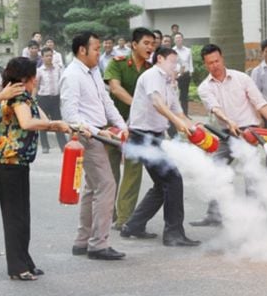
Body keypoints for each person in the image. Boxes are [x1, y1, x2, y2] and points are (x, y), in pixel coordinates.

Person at [0, 57, 70, 281]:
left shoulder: (26, 97)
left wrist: (66, 126)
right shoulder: (16, 95)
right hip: (8, 160)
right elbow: (27, 123)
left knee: (22, 214)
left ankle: (25, 260)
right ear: (26, 77)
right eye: (34, 76)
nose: (37, 80)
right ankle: (17, 266)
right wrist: (54, 125)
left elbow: (44, 120)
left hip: (18, 161)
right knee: (15, 215)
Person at [191, 44, 267, 227]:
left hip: (249, 133)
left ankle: (254, 216)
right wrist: (229, 121)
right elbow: (215, 109)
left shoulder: (242, 78)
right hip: (226, 135)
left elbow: (260, 103)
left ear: (222, 58)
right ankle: (214, 215)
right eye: (210, 63)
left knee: (251, 174)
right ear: (205, 64)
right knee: (214, 171)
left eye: (217, 61)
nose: (215, 65)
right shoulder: (205, 87)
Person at [120, 47, 200, 247]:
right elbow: (157, 103)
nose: (175, 66)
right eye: (172, 61)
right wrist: (177, 122)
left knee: (162, 184)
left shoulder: (168, 83)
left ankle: (133, 226)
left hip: (153, 137)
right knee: (173, 180)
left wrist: (196, 129)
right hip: (142, 137)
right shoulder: (153, 75)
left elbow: (178, 113)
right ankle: (173, 233)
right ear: (160, 59)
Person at [60, 31, 128, 261]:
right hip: (88, 138)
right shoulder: (71, 75)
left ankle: (82, 241)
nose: (100, 53)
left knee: (92, 188)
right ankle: (99, 244)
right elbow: (70, 115)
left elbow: (106, 102)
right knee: (107, 186)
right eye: (96, 49)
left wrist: (121, 125)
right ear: (82, 50)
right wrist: (99, 132)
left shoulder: (94, 71)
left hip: (101, 134)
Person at [104, 28, 154, 229]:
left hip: (138, 126)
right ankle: (108, 213)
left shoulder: (152, 70)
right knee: (110, 171)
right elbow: (115, 88)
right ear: (134, 45)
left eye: (153, 44)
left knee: (133, 171)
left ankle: (124, 218)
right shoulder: (118, 63)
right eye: (146, 43)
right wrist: (138, 105)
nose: (150, 47)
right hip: (114, 124)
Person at [34, 47, 67, 154]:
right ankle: (45, 146)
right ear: (42, 57)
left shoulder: (58, 69)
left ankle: (63, 145)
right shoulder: (39, 71)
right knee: (43, 123)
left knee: (58, 122)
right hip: (43, 98)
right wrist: (34, 98)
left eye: (50, 55)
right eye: (47, 56)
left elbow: (62, 84)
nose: (49, 58)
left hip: (55, 99)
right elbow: (36, 86)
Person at [172, 32, 193, 115]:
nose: (178, 40)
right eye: (176, 38)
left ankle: (185, 114)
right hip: (176, 75)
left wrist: (191, 72)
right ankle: (176, 113)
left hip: (186, 74)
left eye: (179, 38)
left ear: (182, 39)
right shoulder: (172, 51)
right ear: (174, 40)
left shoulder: (188, 50)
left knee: (184, 95)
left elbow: (190, 62)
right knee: (176, 94)